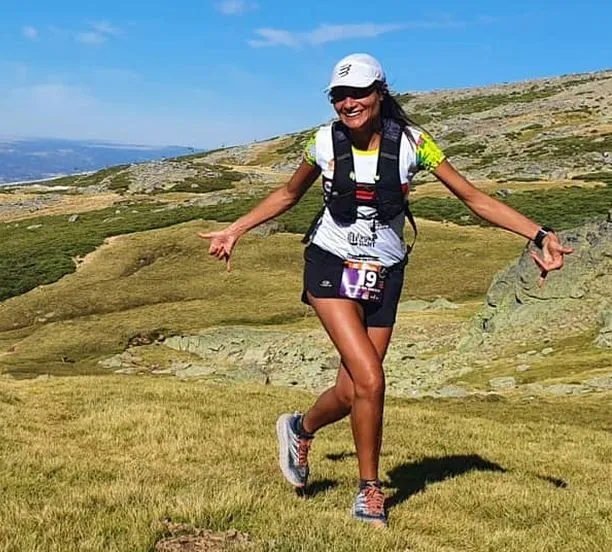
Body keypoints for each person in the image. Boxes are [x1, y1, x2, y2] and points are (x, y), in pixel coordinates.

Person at [198, 53, 572, 528]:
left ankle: (300, 428)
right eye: (339, 95)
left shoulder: (417, 144)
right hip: (330, 265)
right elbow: (289, 195)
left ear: (380, 92)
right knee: (372, 379)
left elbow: (473, 198)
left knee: (351, 389)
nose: (348, 103)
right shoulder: (322, 143)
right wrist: (235, 230)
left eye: (357, 93)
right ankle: (369, 491)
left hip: (385, 273)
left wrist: (538, 234)